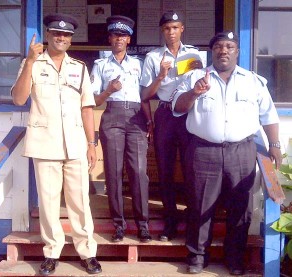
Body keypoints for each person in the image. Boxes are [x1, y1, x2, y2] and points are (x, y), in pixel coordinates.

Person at [172, 31, 282, 275]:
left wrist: (274, 145)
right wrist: (194, 94)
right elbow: (177, 108)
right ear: (213, 51)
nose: (224, 50)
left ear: (237, 52)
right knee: (200, 205)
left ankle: (234, 259)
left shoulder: (253, 81)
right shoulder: (194, 77)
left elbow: (269, 116)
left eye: (229, 46)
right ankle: (198, 257)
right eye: (219, 46)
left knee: (240, 207)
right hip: (203, 151)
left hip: (242, 151)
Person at [11, 13, 102, 275]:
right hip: (45, 143)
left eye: (66, 35)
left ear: (71, 40)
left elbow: (87, 108)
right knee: (49, 203)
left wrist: (91, 144)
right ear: (48, 35)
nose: (61, 37)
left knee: (80, 201)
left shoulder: (79, 67)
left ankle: (87, 252)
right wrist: (29, 62)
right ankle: (51, 252)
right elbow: (18, 99)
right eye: (56, 33)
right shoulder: (33, 63)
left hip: (75, 144)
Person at [140, 10, 203, 242]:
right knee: (165, 169)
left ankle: (192, 219)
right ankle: (170, 221)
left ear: (182, 29)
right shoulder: (153, 58)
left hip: (188, 114)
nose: (171, 32)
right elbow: (145, 94)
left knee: (191, 168)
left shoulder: (195, 55)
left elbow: (203, 84)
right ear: (162, 31)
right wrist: (160, 76)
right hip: (165, 113)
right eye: (167, 28)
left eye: (175, 27)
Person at [90, 15, 152, 243]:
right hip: (112, 117)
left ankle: (143, 225)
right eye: (115, 35)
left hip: (136, 117)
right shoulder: (100, 65)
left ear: (129, 39)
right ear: (109, 38)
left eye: (123, 35)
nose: (119, 39)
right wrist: (108, 90)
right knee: (114, 173)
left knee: (138, 172)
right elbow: (94, 100)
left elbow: (145, 96)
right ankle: (119, 224)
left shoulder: (139, 64)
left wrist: (149, 120)